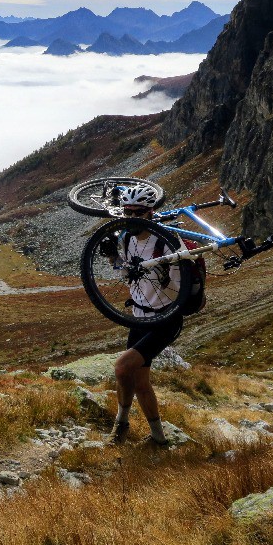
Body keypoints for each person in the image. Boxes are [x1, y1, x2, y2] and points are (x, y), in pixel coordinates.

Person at [102, 184, 183, 446]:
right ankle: (159, 440)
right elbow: (127, 273)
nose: (131, 216)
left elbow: (179, 287)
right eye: (127, 211)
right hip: (139, 316)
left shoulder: (167, 241)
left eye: (138, 212)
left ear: (150, 212)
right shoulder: (126, 238)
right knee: (138, 380)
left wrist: (162, 274)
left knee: (122, 367)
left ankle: (120, 427)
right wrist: (114, 257)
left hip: (164, 319)